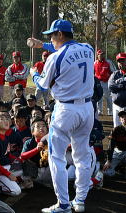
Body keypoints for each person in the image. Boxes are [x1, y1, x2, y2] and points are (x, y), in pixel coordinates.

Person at [29, 19, 95, 213]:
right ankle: (80, 200)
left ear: (60, 34)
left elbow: (42, 85)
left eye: (52, 35)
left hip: (66, 110)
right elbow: (68, 48)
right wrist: (43, 45)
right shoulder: (88, 48)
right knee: (82, 156)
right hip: (87, 108)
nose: (50, 38)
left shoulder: (54, 58)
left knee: (56, 157)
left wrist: (34, 73)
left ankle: (64, 204)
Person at [94, 49, 113, 116]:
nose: (102, 55)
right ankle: (99, 111)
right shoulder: (95, 63)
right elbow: (93, 72)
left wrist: (111, 80)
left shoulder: (108, 62)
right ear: (97, 55)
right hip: (98, 83)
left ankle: (110, 111)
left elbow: (112, 72)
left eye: (103, 54)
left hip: (106, 82)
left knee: (108, 97)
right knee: (99, 97)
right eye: (100, 54)